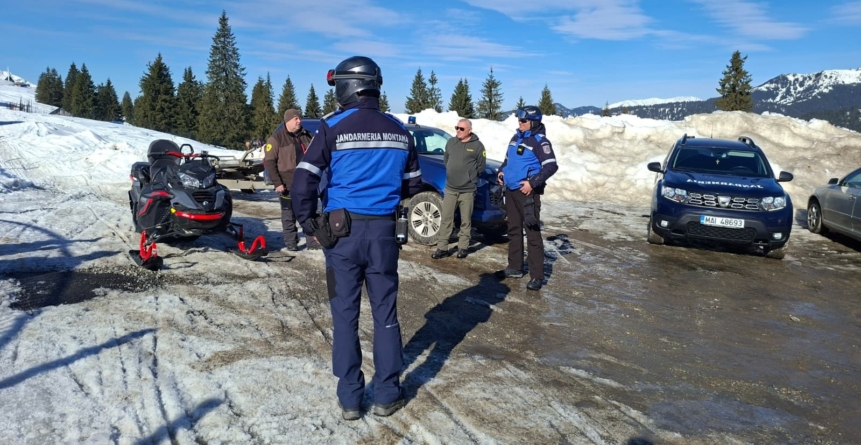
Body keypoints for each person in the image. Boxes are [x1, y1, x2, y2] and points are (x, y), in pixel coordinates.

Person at [290, 56, 422, 420]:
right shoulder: (400, 130)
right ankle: (386, 394)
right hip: (383, 234)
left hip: (341, 235)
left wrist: (308, 223)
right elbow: (412, 183)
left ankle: (350, 398)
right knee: (385, 315)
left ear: (349, 85)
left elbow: (303, 181)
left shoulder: (333, 126)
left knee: (345, 316)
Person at [495, 106, 558, 291]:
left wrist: (532, 183)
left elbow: (551, 166)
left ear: (533, 122)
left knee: (532, 232)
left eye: (523, 121)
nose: (519, 123)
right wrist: (501, 172)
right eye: (519, 120)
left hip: (528, 193)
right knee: (513, 229)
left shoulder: (540, 142)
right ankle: (515, 267)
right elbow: (507, 161)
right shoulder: (515, 138)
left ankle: (537, 276)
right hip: (511, 191)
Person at [264, 109, 319, 251]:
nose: (299, 121)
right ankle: (291, 242)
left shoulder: (308, 136)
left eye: (299, 118)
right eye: (295, 119)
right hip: (287, 184)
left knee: (309, 212)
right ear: (287, 121)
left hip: (306, 183)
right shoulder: (276, 139)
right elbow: (270, 162)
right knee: (289, 215)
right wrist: (277, 183)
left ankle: (312, 240)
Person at [431, 119, 486, 259]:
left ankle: (463, 247)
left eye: (461, 129)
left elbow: (481, 167)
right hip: (450, 189)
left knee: (465, 220)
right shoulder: (451, 143)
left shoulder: (478, 146)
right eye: (457, 128)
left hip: (467, 190)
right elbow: (446, 160)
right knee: (446, 219)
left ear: (469, 130)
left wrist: (470, 177)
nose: (458, 131)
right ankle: (442, 248)